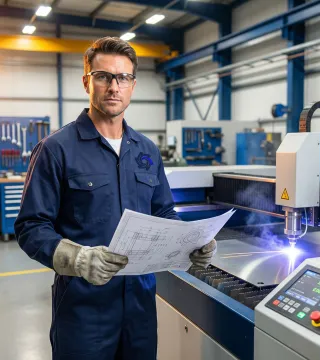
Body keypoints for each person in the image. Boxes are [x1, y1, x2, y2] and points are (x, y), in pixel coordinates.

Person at [14, 37, 217, 360]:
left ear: (133, 85)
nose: (114, 87)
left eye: (123, 78)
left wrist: (193, 242)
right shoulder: (57, 149)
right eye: (104, 76)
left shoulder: (147, 151)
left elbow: (163, 211)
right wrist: (78, 259)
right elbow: (30, 227)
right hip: (83, 311)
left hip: (140, 307)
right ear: (87, 82)